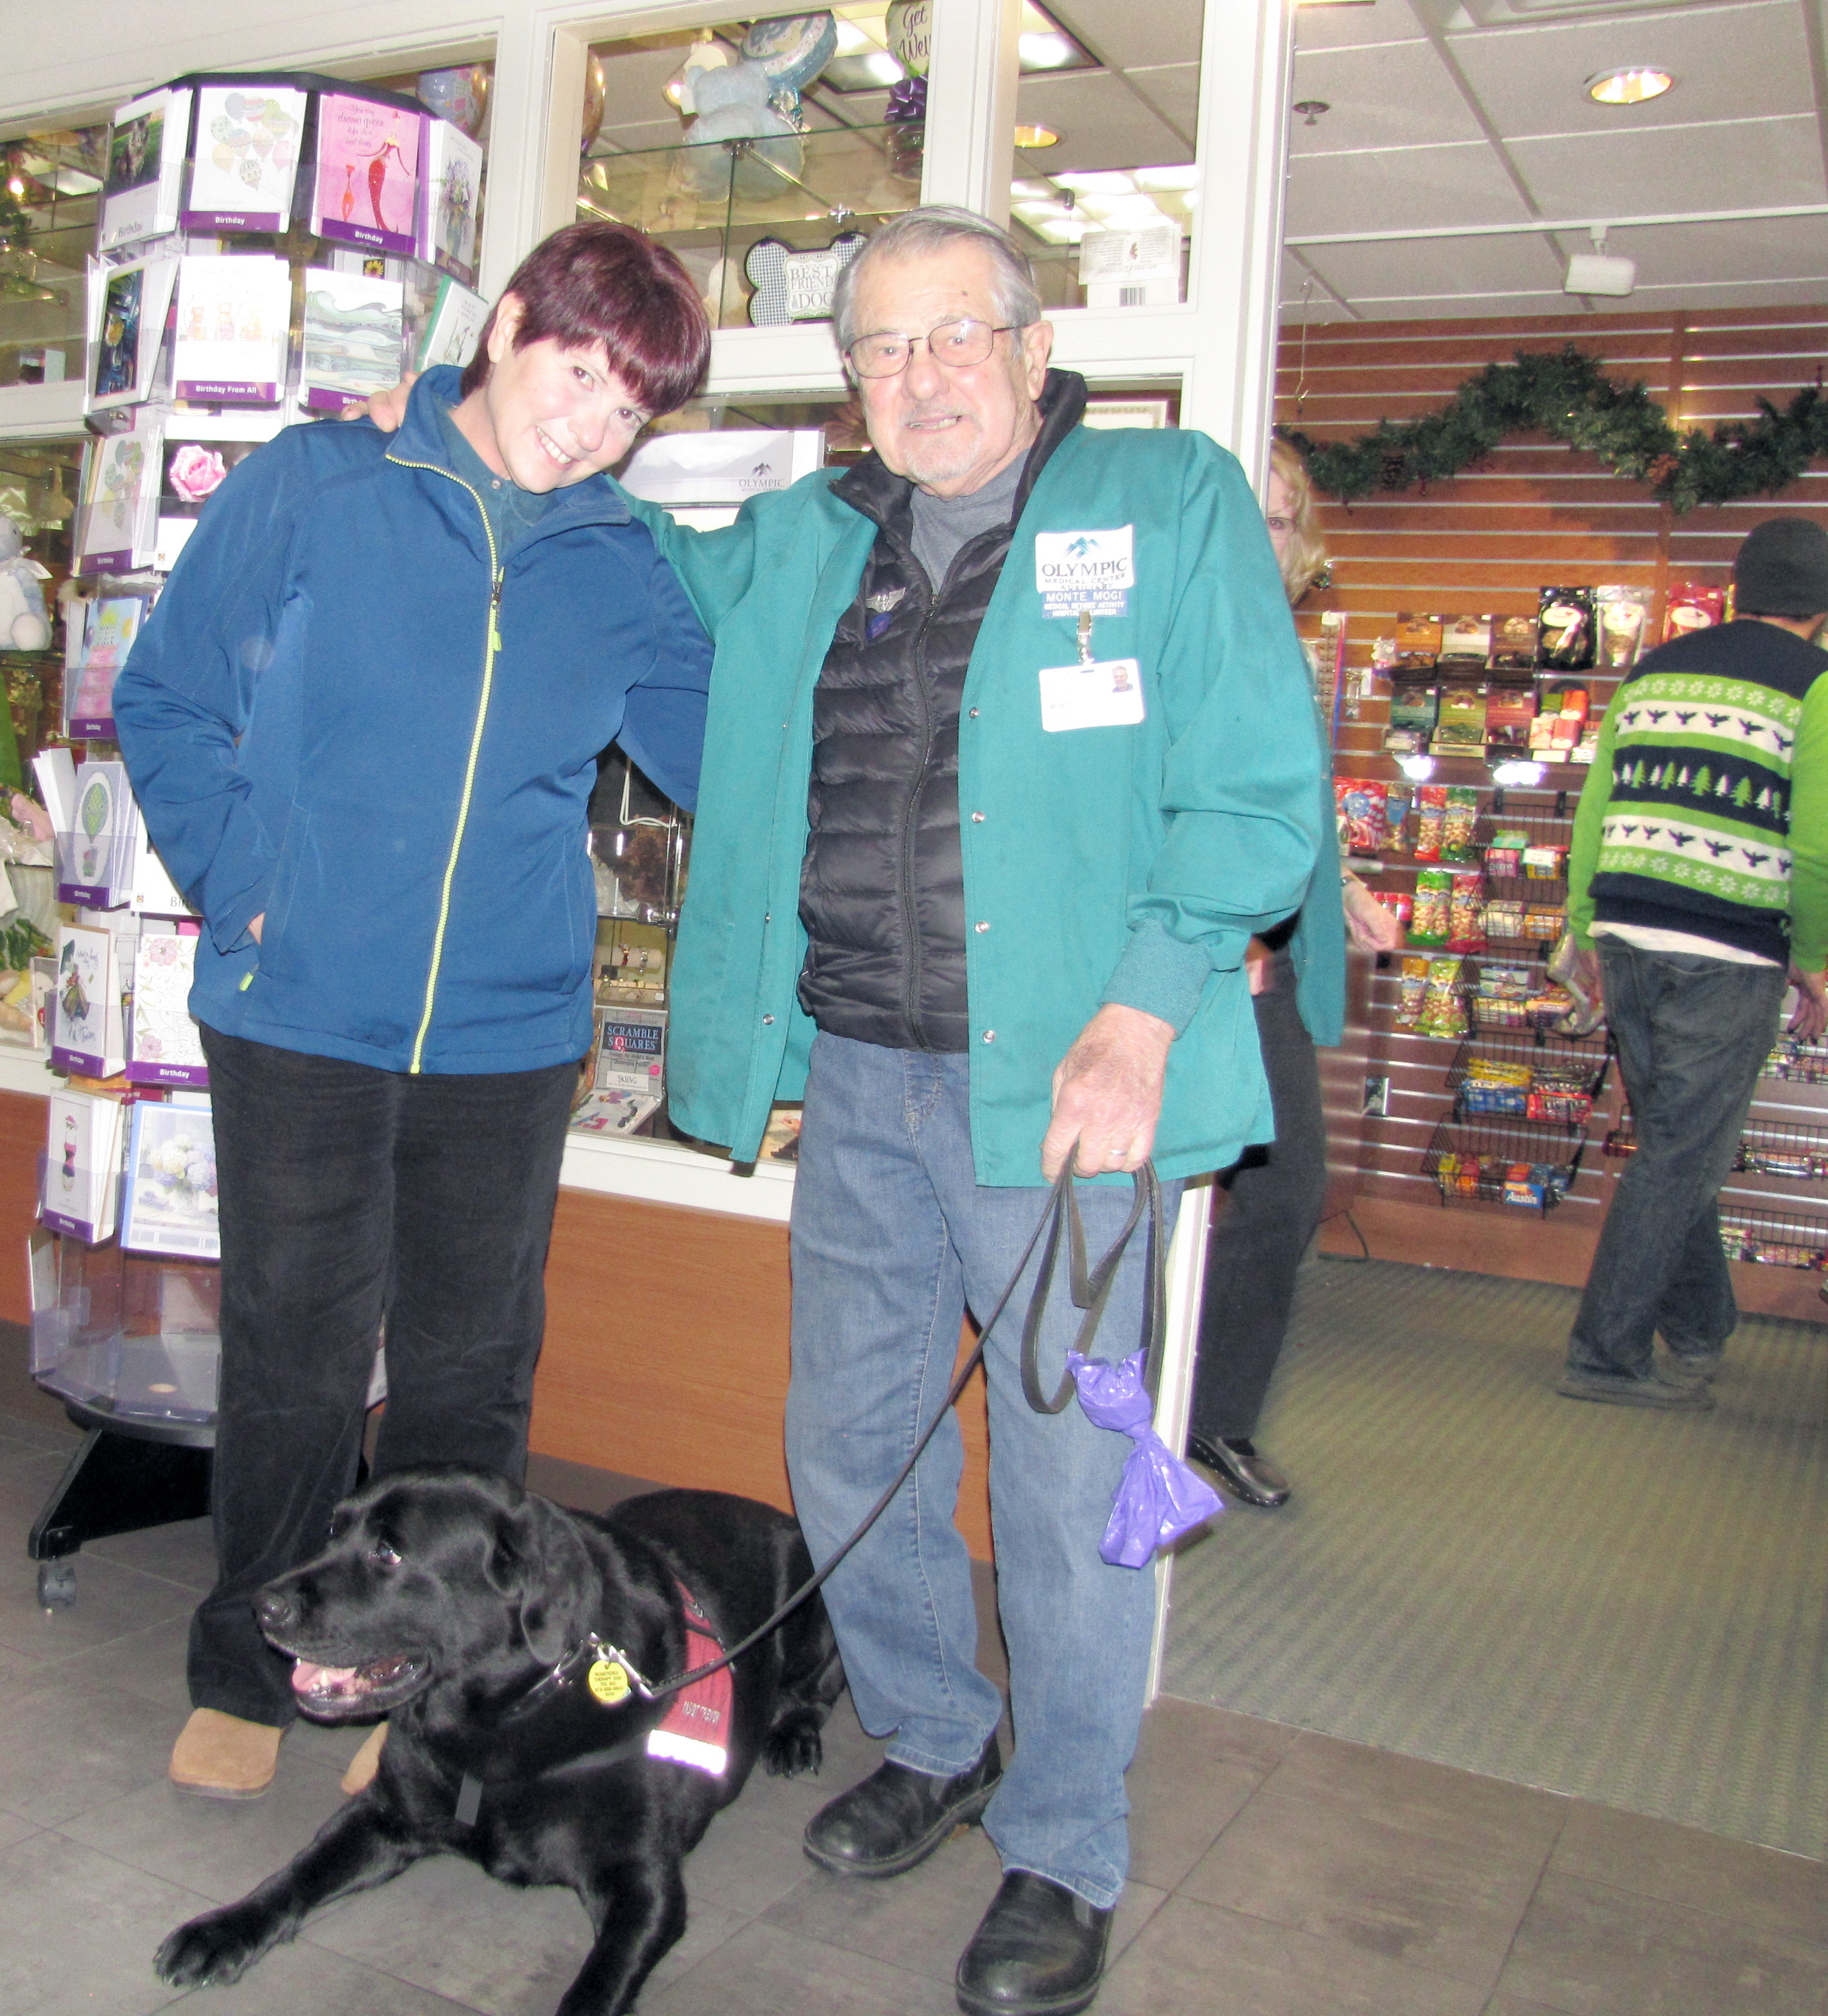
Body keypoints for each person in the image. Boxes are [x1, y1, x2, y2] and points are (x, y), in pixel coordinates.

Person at [634, 209, 1325, 2016]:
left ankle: (1065, 1841)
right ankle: (937, 1737)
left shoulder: (1164, 504)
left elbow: (1259, 792)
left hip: (1076, 1101)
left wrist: (1146, 1008)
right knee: (852, 1438)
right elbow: (614, 559)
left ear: (1032, 351)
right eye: (881, 347)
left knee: (1074, 1478)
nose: (921, 376)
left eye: (957, 338)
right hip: (861, 1077)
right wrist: (486, 411)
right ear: (848, 380)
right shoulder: (801, 541)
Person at [114, 222, 715, 1800]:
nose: (591, 424)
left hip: (507, 1033)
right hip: (300, 1006)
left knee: (467, 1373)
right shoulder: (321, 486)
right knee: (297, 1357)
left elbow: (730, 754)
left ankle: (428, 1682)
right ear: (505, 324)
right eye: (576, 372)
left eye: (630, 409)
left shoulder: (620, 564)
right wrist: (248, 886)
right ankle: (250, 1666)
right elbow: (165, 693)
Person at [1554, 516, 1828, 1410]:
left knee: (1676, 1149)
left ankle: (1699, 1325)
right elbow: (1823, 849)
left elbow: (1595, 810)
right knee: (1681, 1159)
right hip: (1729, 954)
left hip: (1631, 938)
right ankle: (1604, 1356)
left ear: (1739, 586)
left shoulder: (1653, 670)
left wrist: (1587, 928)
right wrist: (1810, 956)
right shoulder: (1823, 684)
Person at [1183, 440, 1403, 1512]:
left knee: (1283, 1194)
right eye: (1249, 515)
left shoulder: (1285, 643)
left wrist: (1344, 881)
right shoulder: (1182, 627)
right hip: (1186, 965)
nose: (1266, 538)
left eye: (1282, 520)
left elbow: (1285, 805)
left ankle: (1213, 1419)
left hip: (1268, 970)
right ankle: (1136, 1422)